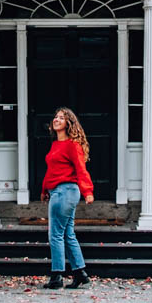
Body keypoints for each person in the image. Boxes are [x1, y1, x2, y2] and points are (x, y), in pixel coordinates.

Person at [40, 106, 94, 289]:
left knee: (55, 234)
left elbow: (81, 169)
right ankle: (80, 273)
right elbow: (52, 171)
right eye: (56, 117)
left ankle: (57, 276)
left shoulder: (73, 145)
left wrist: (88, 191)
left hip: (66, 191)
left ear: (68, 123)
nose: (56, 119)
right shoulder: (56, 145)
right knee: (68, 233)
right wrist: (44, 190)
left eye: (61, 118)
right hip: (57, 192)